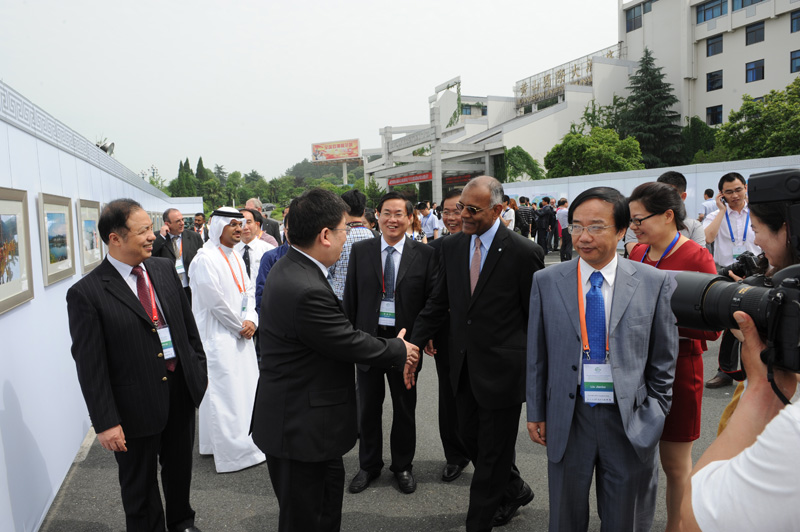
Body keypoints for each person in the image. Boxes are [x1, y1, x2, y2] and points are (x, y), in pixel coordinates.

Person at [251, 188, 419, 532]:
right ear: (325, 235)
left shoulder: (295, 267)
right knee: (306, 520)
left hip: (308, 425)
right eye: (345, 229)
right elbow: (346, 340)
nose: (347, 239)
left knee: (324, 512)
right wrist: (399, 349)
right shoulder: (305, 287)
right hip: (300, 430)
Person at [526, 186, 678, 532]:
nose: (583, 237)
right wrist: (536, 410)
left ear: (622, 230)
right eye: (577, 226)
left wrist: (654, 412)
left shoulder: (654, 283)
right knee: (565, 516)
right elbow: (537, 354)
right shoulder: (546, 281)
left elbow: (664, 359)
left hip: (629, 418)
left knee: (626, 518)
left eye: (596, 227)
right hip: (569, 414)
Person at [410, 176, 544, 531]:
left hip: (503, 372)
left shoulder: (523, 252)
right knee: (468, 438)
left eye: (472, 209)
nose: (463, 215)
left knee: (493, 453)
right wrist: (412, 344)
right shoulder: (450, 247)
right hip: (461, 366)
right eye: (459, 208)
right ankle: (514, 489)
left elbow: (535, 319)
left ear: (498, 210)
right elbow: (438, 303)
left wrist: (537, 377)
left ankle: (478, 522)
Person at [66, 199, 208, 532]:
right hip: (133, 405)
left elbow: (186, 327)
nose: (152, 236)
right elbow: (90, 365)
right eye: (143, 231)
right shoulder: (87, 293)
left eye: (150, 228)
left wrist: (197, 370)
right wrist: (106, 422)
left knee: (179, 470)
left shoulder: (162, 268)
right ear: (115, 238)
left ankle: (183, 523)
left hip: (179, 390)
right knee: (140, 487)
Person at [681, 196, 800, 531]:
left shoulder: (792, 429)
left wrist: (761, 390)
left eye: (758, 230)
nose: (756, 240)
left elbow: (697, 515)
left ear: (787, 231)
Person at [626, 182, 720, 532]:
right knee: (634, 459)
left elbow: (713, 327)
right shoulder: (637, 254)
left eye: (639, 220)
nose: (633, 227)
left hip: (680, 369)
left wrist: (662, 322)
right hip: (637, 369)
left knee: (675, 464)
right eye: (631, 220)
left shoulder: (696, 256)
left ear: (668, 215)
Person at [343, 192, 437, 495]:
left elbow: (431, 303)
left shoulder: (425, 254)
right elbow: (351, 298)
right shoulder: (361, 250)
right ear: (377, 215)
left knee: (404, 407)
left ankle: (403, 466)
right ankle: (369, 465)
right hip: (368, 341)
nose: (392, 219)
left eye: (399, 214)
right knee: (368, 408)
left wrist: (417, 343)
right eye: (386, 213)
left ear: (410, 217)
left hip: (405, 344)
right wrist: (350, 340)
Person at [188, 208, 265, 473]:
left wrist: (251, 319)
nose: (238, 228)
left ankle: (240, 442)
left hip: (242, 332)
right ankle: (234, 453)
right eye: (232, 224)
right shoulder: (204, 259)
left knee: (244, 390)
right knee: (225, 394)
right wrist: (239, 326)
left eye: (240, 224)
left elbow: (249, 291)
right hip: (219, 336)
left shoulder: (234, 256)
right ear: (218, 226)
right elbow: (214, 302)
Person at [703, 172, 761, 389]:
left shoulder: (758, 210)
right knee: (730, 320)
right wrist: (721, 210)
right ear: (721, 194)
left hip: (757, 272)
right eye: (729, 192)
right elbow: (707, 238)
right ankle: (726, 370)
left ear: (745, 188)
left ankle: (753, 368)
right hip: (727, 273)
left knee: (754, 320)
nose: (735, 195)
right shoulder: (716, 214)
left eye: (738, 190)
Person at [429, 189, 471, 482]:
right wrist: (429, 332)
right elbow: (429, 295)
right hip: (446, 333)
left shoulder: (487, 247)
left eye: (458, 210)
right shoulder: (435, 249)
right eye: (446, 212)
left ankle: (488, 456)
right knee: (448, 395)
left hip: (479, 336)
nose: (452, 217)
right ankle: (455, 455)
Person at [623, 171, 705, 256]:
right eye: (659, 195)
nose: (633, 226)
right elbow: (635, 253)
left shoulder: (694, 227)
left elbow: (698, 256)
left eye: (670, 194)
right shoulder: (639, 223)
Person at [329, 189, 375, 300]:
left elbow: (330, 269)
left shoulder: (338, 236)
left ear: (343, 211)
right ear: (363, 212)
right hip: (366, 296)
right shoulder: (374, 236)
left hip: (341, 296)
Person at [152, 208, 204, 304]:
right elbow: (150, 255)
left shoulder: (194, 237)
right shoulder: (158, 237)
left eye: (182, 220)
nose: (182, 223)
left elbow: (202, 260)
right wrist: (161, 237)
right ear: (167, 224)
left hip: (190, 287)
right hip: (168, 289)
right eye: (178, 221)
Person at [236, 208, 275, 283]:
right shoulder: (231, 252)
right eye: (241, 223)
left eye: (249, 222)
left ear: (257, 225)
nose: (245, 227)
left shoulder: (269, 250)